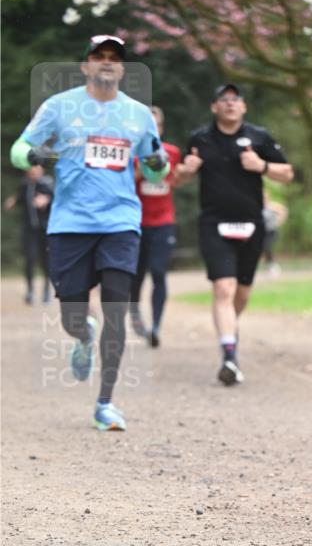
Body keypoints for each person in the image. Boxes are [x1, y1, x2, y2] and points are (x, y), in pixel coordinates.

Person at [10, 34, 169, 431]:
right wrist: (33, 155)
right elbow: (19, 147)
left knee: (116, 308)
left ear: (122, 68)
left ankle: (105, 403)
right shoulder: (59, 107)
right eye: (99, 56)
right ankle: (82, 336)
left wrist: (156, 162)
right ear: (85, 66)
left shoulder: (138, 115)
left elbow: (156, 169)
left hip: (120, 223)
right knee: (73, 316)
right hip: (70, 225)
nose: (107, 63)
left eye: (114, 58)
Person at [175, 84, 294, 385]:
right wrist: (187, 170)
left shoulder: (259, 137)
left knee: (241, 293)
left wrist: (261, 166)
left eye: (235, 100)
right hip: (214, 223)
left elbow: (288, 173)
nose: (230, 104)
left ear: (243, 107)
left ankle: (229, 327)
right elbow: (177, 179)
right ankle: (229, 354)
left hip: (251, 223)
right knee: (224, 289)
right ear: (214, 107)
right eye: (223, 100)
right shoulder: (199, 138)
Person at [129, 106, 182, 347]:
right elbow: (123, 184)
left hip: (163, 222)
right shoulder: (131, 154)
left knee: (159, 273)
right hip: (137, 223)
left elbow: (176, 181)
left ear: (161, 128)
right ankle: (135, 312)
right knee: (137, 274)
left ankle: (157, 327)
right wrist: (142, 171)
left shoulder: (171, 152)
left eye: (156, 126)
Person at [3, 164, 54, 304]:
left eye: (36, 169)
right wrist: (13, 201)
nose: (33, 171)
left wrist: (47, 199)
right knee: (30, 260)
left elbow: (56, 199)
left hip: (45, 230)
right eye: (31, 169)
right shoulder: (25, 186)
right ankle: (30, 291)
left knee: (46, 262)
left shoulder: (47, 185)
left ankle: (46, 292)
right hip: (29, 230)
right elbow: (20, 197)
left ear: (41, 170)